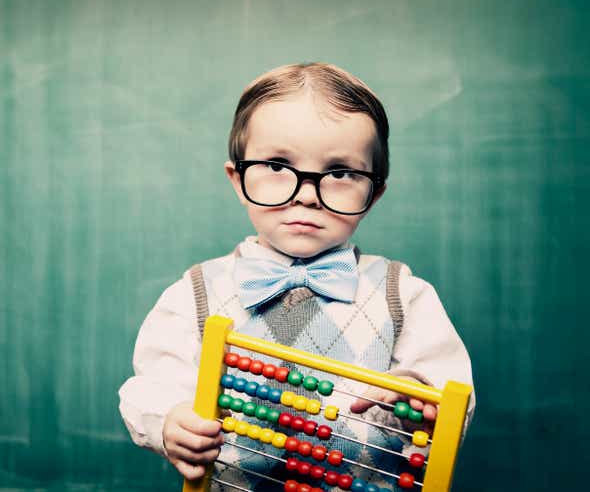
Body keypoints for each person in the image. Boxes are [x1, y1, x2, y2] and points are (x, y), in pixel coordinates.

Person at [118, 63, 475, 491]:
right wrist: (170, 421)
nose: (306, 194)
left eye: (341, 172)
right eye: (276, 165)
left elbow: (452, 395)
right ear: (237, 179)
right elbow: (151, 386)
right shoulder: (195, 293)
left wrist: (419, 395)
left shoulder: (405, 294)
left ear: (374, 193)